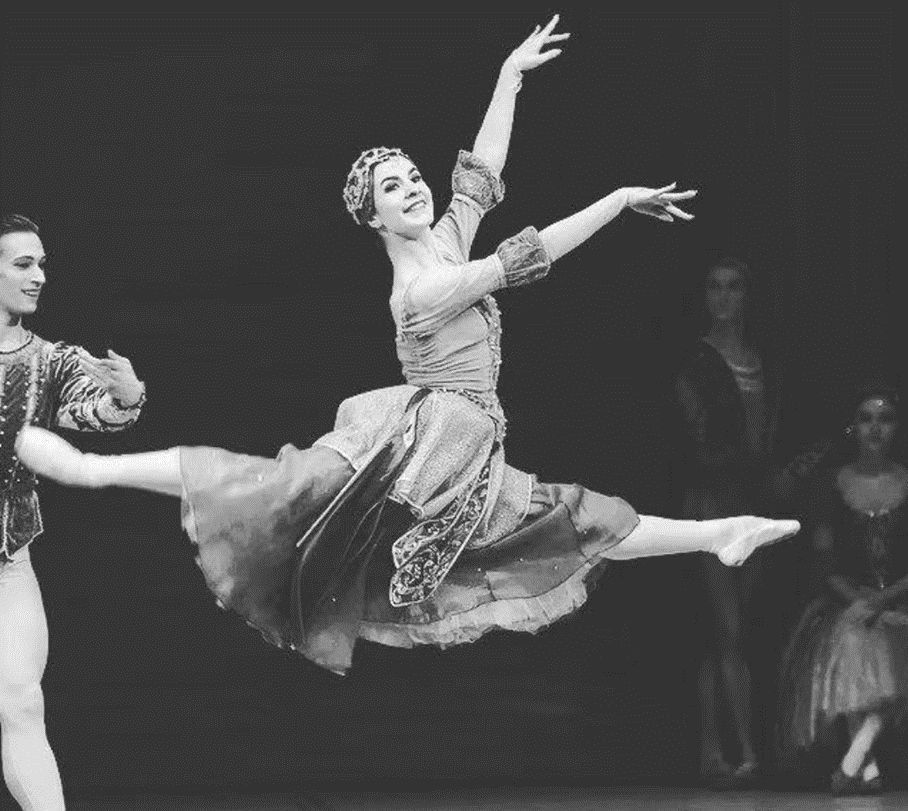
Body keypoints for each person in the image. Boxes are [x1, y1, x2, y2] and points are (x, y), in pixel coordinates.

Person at [14, 17, 798, 680]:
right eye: (394, 187)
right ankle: (92, 469)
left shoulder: (447, 240)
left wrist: (509, 77)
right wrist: (619, 200)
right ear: (374, 219)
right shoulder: (422, 289)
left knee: (576, 516)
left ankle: (720, 534)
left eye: (413, 175)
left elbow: (482, 173)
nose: (415, 187)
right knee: (277, 486)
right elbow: (528, 256)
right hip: (426, 441)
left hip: (473, 448)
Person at [0, 214, 145, 811]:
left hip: (7, 561)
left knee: (20, 702)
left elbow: (95, 412)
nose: (39, 276)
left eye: (42, 264)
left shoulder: (49, 361)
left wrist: (125, 395)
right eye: (23, 264)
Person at [776, 384, 908, 795]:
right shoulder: (831, 486)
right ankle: (868, 771)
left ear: (898, 427)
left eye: (885, 419)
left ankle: (854, 761)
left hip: (907, 600)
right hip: (848, 600)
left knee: (906, 646)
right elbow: (825, 566)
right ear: (852, 427)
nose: (875, 428)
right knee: (850, 638)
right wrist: (861, 602)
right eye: (866, 419)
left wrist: (882, 601)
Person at [674, 256, 780, 787]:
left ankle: (714, 751)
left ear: (747, 295)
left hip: (754, 497)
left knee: (736, 629)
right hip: (712, 499)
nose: (723, 296)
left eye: (733, 287)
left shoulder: (763, 358)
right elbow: (694, 437)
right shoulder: (695, 359)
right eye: (714, 286)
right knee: (727, 626)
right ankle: (744, 753)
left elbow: (771, 432)